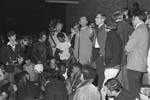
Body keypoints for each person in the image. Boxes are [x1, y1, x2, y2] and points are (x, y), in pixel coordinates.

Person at [125, 10, 149, 98]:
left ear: (136, 18)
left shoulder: (139, 30)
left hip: (134, 65)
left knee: (134, 92)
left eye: (133, 18)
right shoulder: (145, 29)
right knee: (137, 91)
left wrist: (129, 42)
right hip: (140, 65)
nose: (132, 21)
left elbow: (127, 48)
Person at [103, 17, 122, 85]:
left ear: (106, 25)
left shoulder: (110, 36)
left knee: (105, 88)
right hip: (117, 64)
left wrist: (106, 63)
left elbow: (109, 53)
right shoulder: (116, 35)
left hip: (111, 65)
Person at [94, 13, 107, 90]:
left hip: (101, 54)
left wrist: (101, 55)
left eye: (97, 17)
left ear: (103, 19)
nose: (95, 19)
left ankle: (100, 92)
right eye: (96, 17)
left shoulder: (103, 29)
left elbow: (103, 44)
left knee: (101, 75)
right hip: (97, 53)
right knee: (98, 74)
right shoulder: (98, 28)